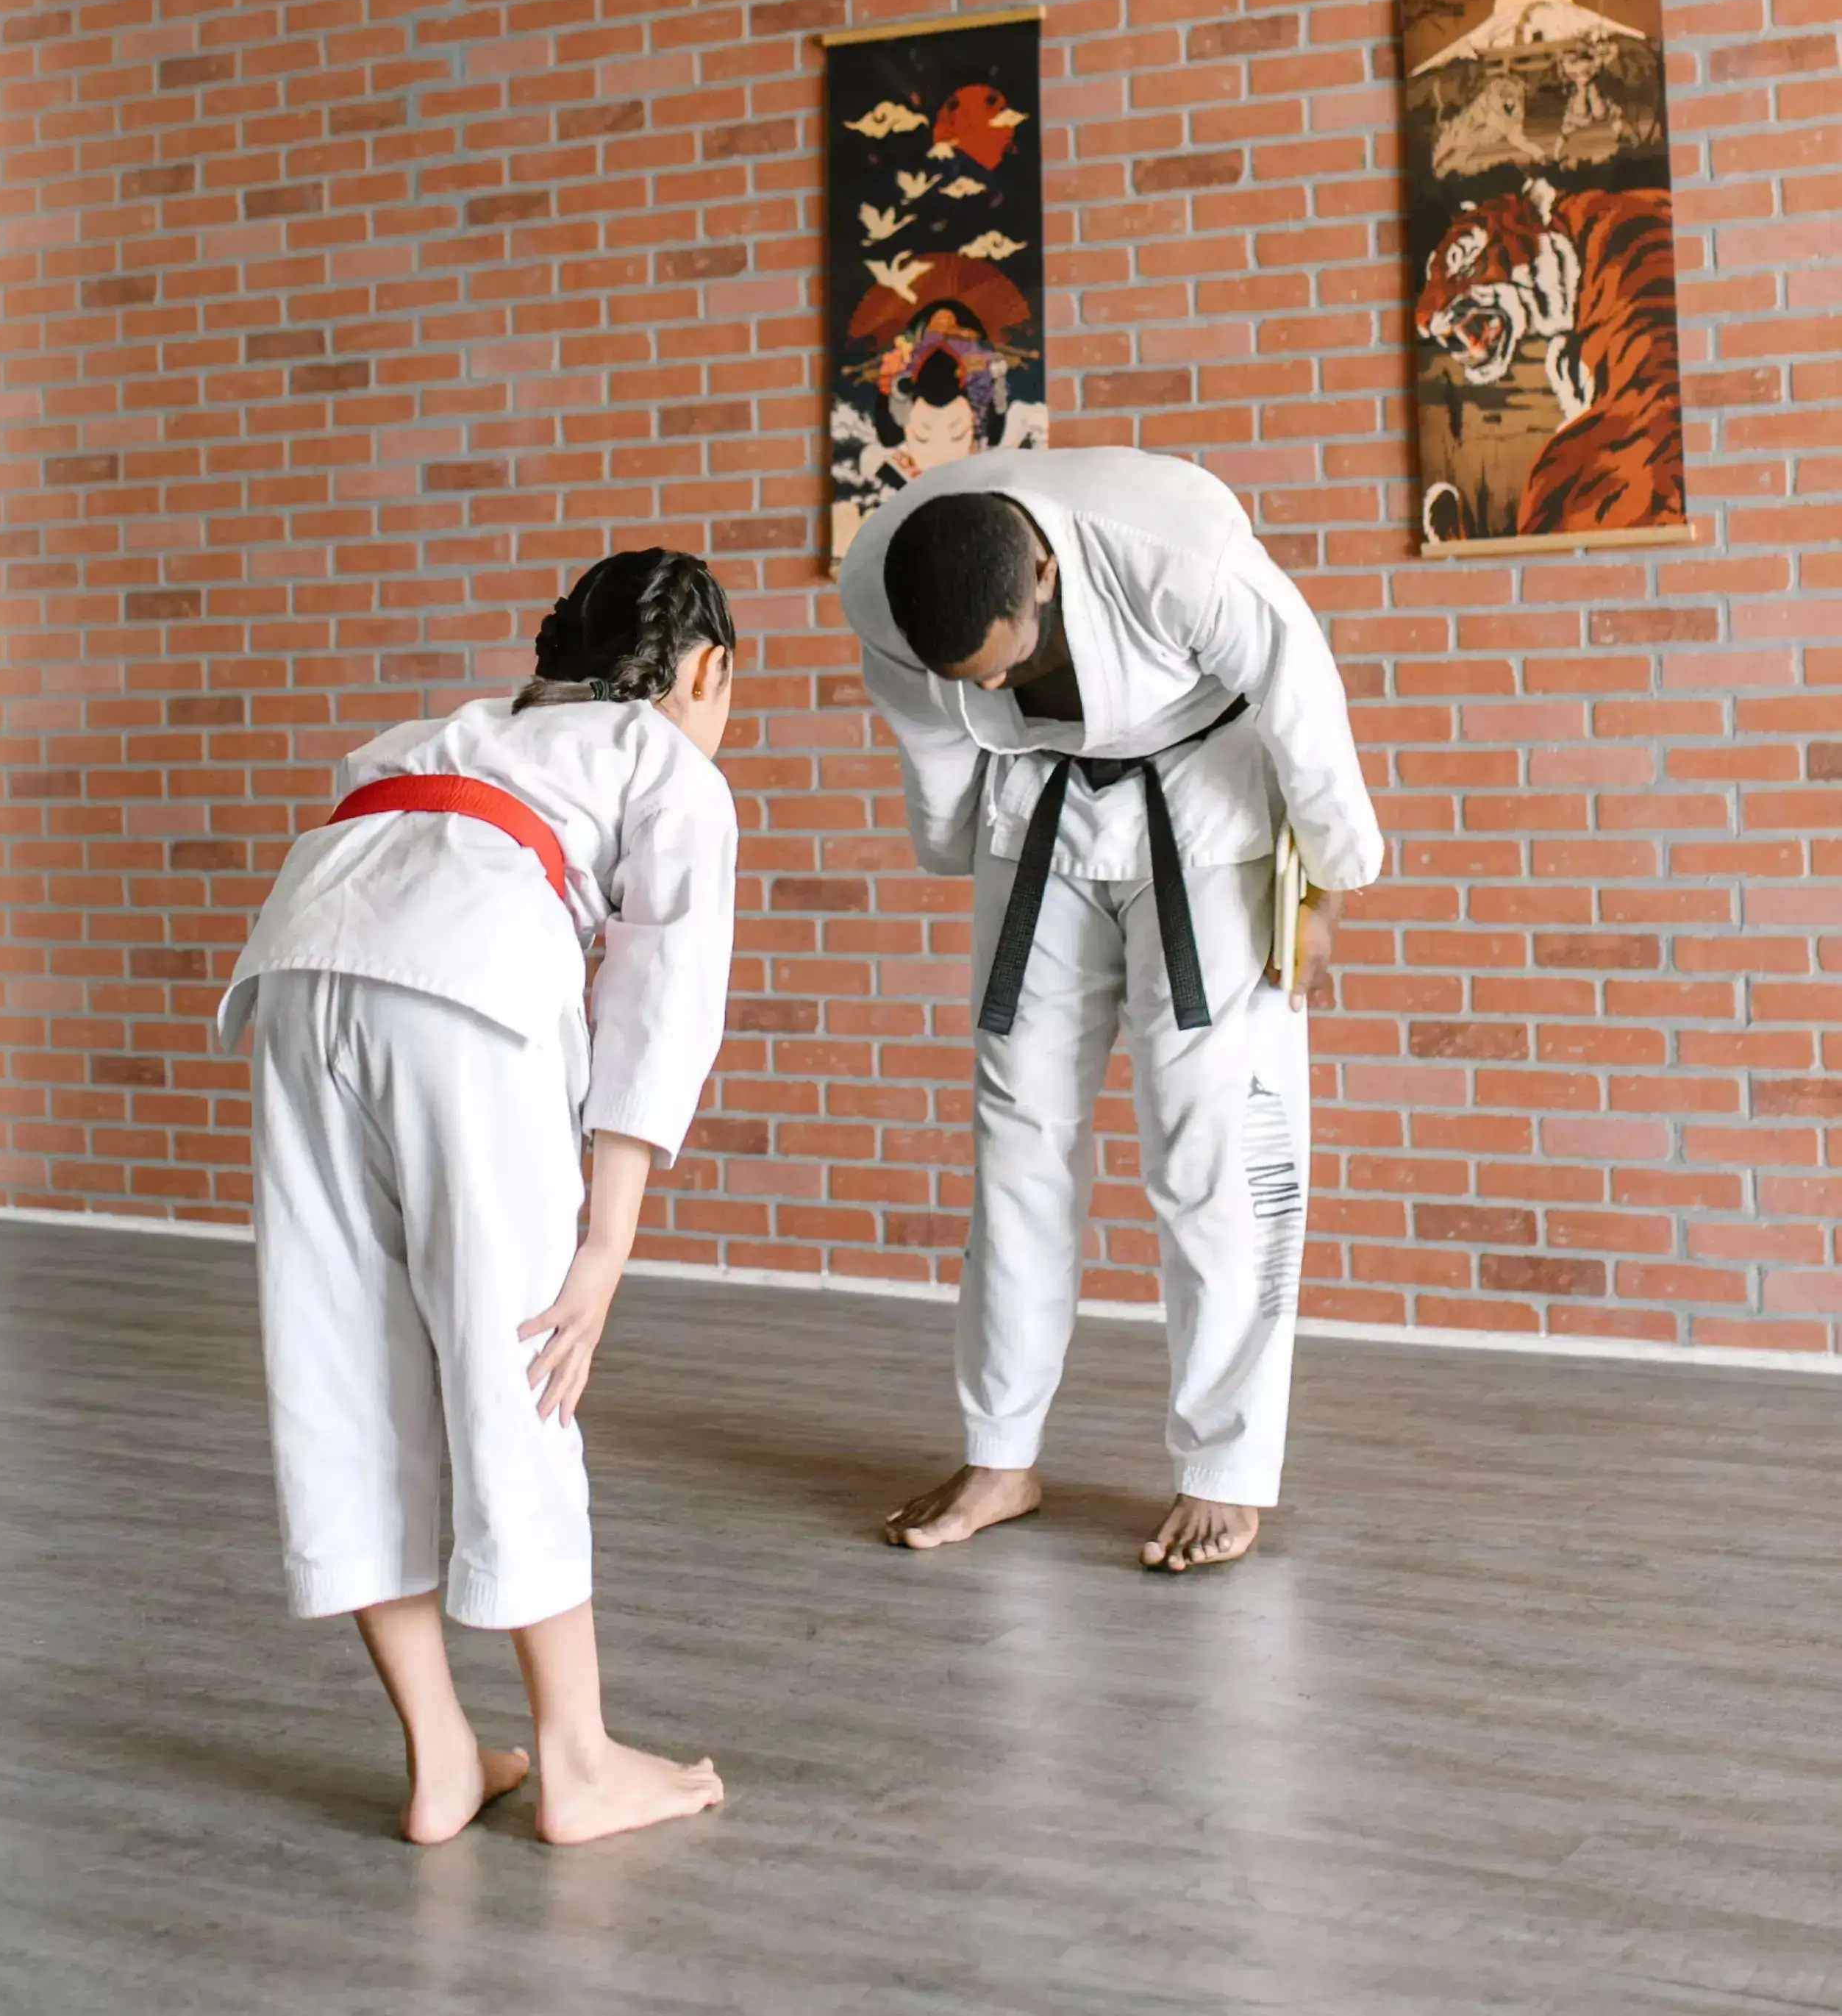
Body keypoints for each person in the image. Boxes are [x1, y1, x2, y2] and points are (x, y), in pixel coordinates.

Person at [216, 549, 739, 1843]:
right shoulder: (669, 761)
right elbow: (658, 1004)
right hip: (464, 991)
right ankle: (574, 1762)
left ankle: (443, 1754)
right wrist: (601, 1252)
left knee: (339, 1363)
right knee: (521, 1359)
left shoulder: (433, 732)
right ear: (706, 670)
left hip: (298, 968)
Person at [838, 452, 1384, 1575]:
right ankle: (1001, 1453)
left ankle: (1222, 1470)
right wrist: (953, 852)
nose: (988, 687)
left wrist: (1324, 886)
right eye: (968, 678)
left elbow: (1303, 701)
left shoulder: (1176, 552)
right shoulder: (878, 588)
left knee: (1210, 1141)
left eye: (1005, 662)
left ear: (1040, 571)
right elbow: (937, 739)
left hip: (1206, 802)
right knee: (1015, 1133)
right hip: (1033, 810)